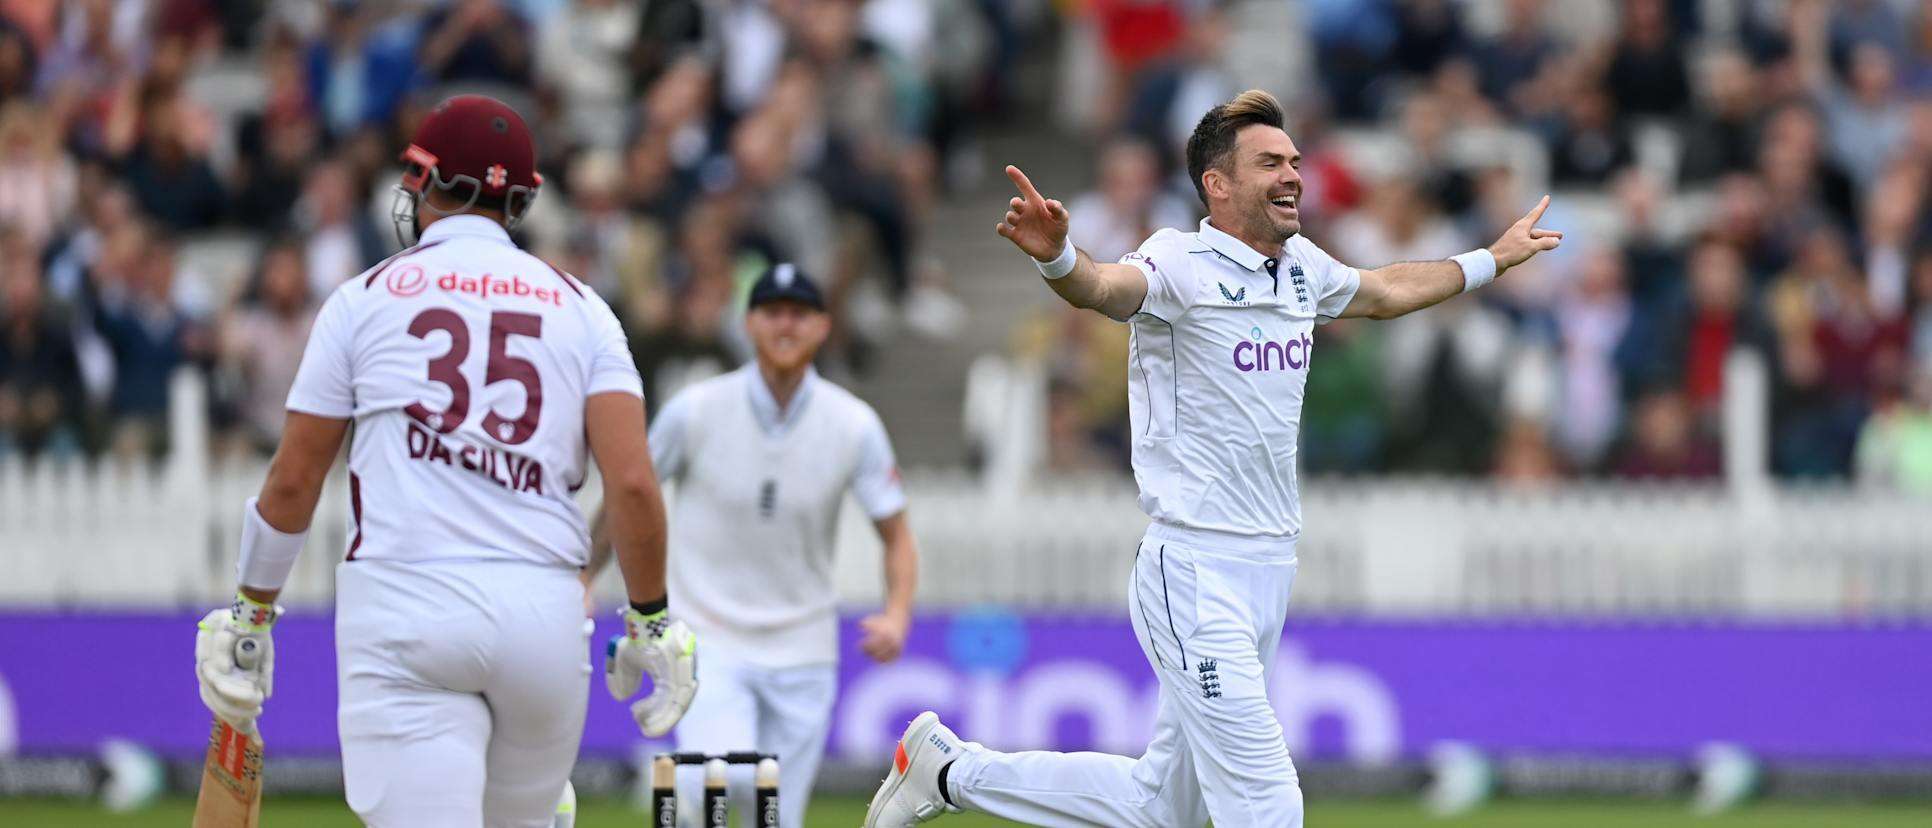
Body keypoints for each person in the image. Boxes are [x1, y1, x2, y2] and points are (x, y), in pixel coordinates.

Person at [864, 89, 1561, 828]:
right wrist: (1060, 256)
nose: (1292, 173)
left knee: (1160, 807)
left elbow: (1386, 290)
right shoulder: (1179, 261)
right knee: (1267, 803)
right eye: (1270, 163)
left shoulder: (1301, 269)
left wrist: (1493, 257)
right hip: (1193, 570)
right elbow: (1104, 288)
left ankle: (948, 770)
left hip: (1268, 569)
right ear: (1217, 185)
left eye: (1293, 160)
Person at [189, 95, 699, 828]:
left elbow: (296, 478)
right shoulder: (584, 307)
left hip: (407, 608)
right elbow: (631, 485)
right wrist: (651, 623)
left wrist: (251, 613)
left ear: (425, 185)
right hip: (542, 621)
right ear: (522, 199)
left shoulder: (363, 300)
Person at [587, 262, 921, 828]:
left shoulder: (853, 423)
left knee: (777, 817)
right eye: (772, 313)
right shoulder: (696, 409)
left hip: (805, 645)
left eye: (800, 314)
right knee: (724, 780)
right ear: (748, 323)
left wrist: (896, 614)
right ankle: (682, 792)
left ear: (823, 326)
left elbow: (896, 534)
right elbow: (629, 491)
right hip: (708, 636)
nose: (785, 326)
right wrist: (583, 574)